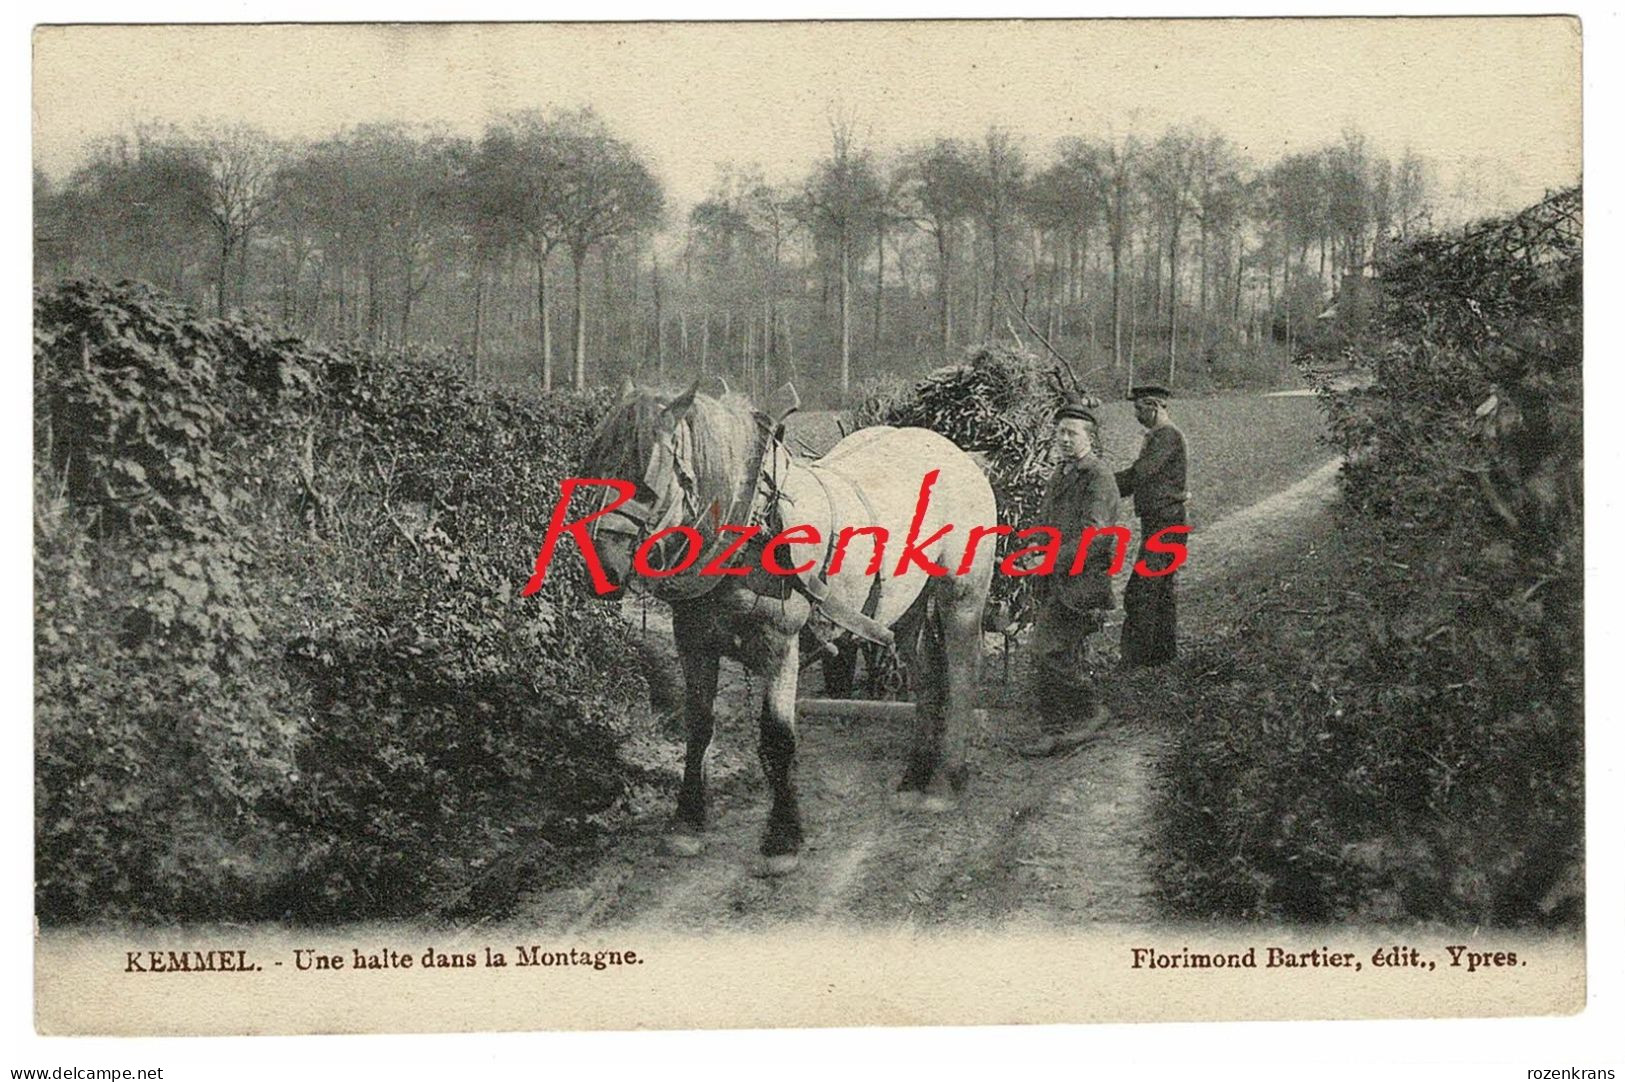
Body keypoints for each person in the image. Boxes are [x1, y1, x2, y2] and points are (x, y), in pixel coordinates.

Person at [1019, 399, 1121, 758]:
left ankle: (1083, 715)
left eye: (1071, 433)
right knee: (1054, 652)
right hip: (1058, 579)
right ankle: (1065, 721)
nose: (1063, 439)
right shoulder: (1061, 474)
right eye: (1059, 432)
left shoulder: (1098, 476)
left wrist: (1050, 559)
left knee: (1046, 651)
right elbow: (1049, 525)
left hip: (1082, 582)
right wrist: (1034, 545)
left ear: (1088, 437)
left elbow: (1096, 536)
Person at [1115, 384, 1188, 668]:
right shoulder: (1162, 436)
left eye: (1139, 408)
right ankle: (1162, 657)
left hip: (1165, 524)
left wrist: (1105, 484)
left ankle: (1137, 661)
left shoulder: (1167, 436)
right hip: (1163, 522)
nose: (1135, 414)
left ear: (1154, 406)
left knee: (1142, 590)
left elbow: (1140, 473)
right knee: (1161, 589)